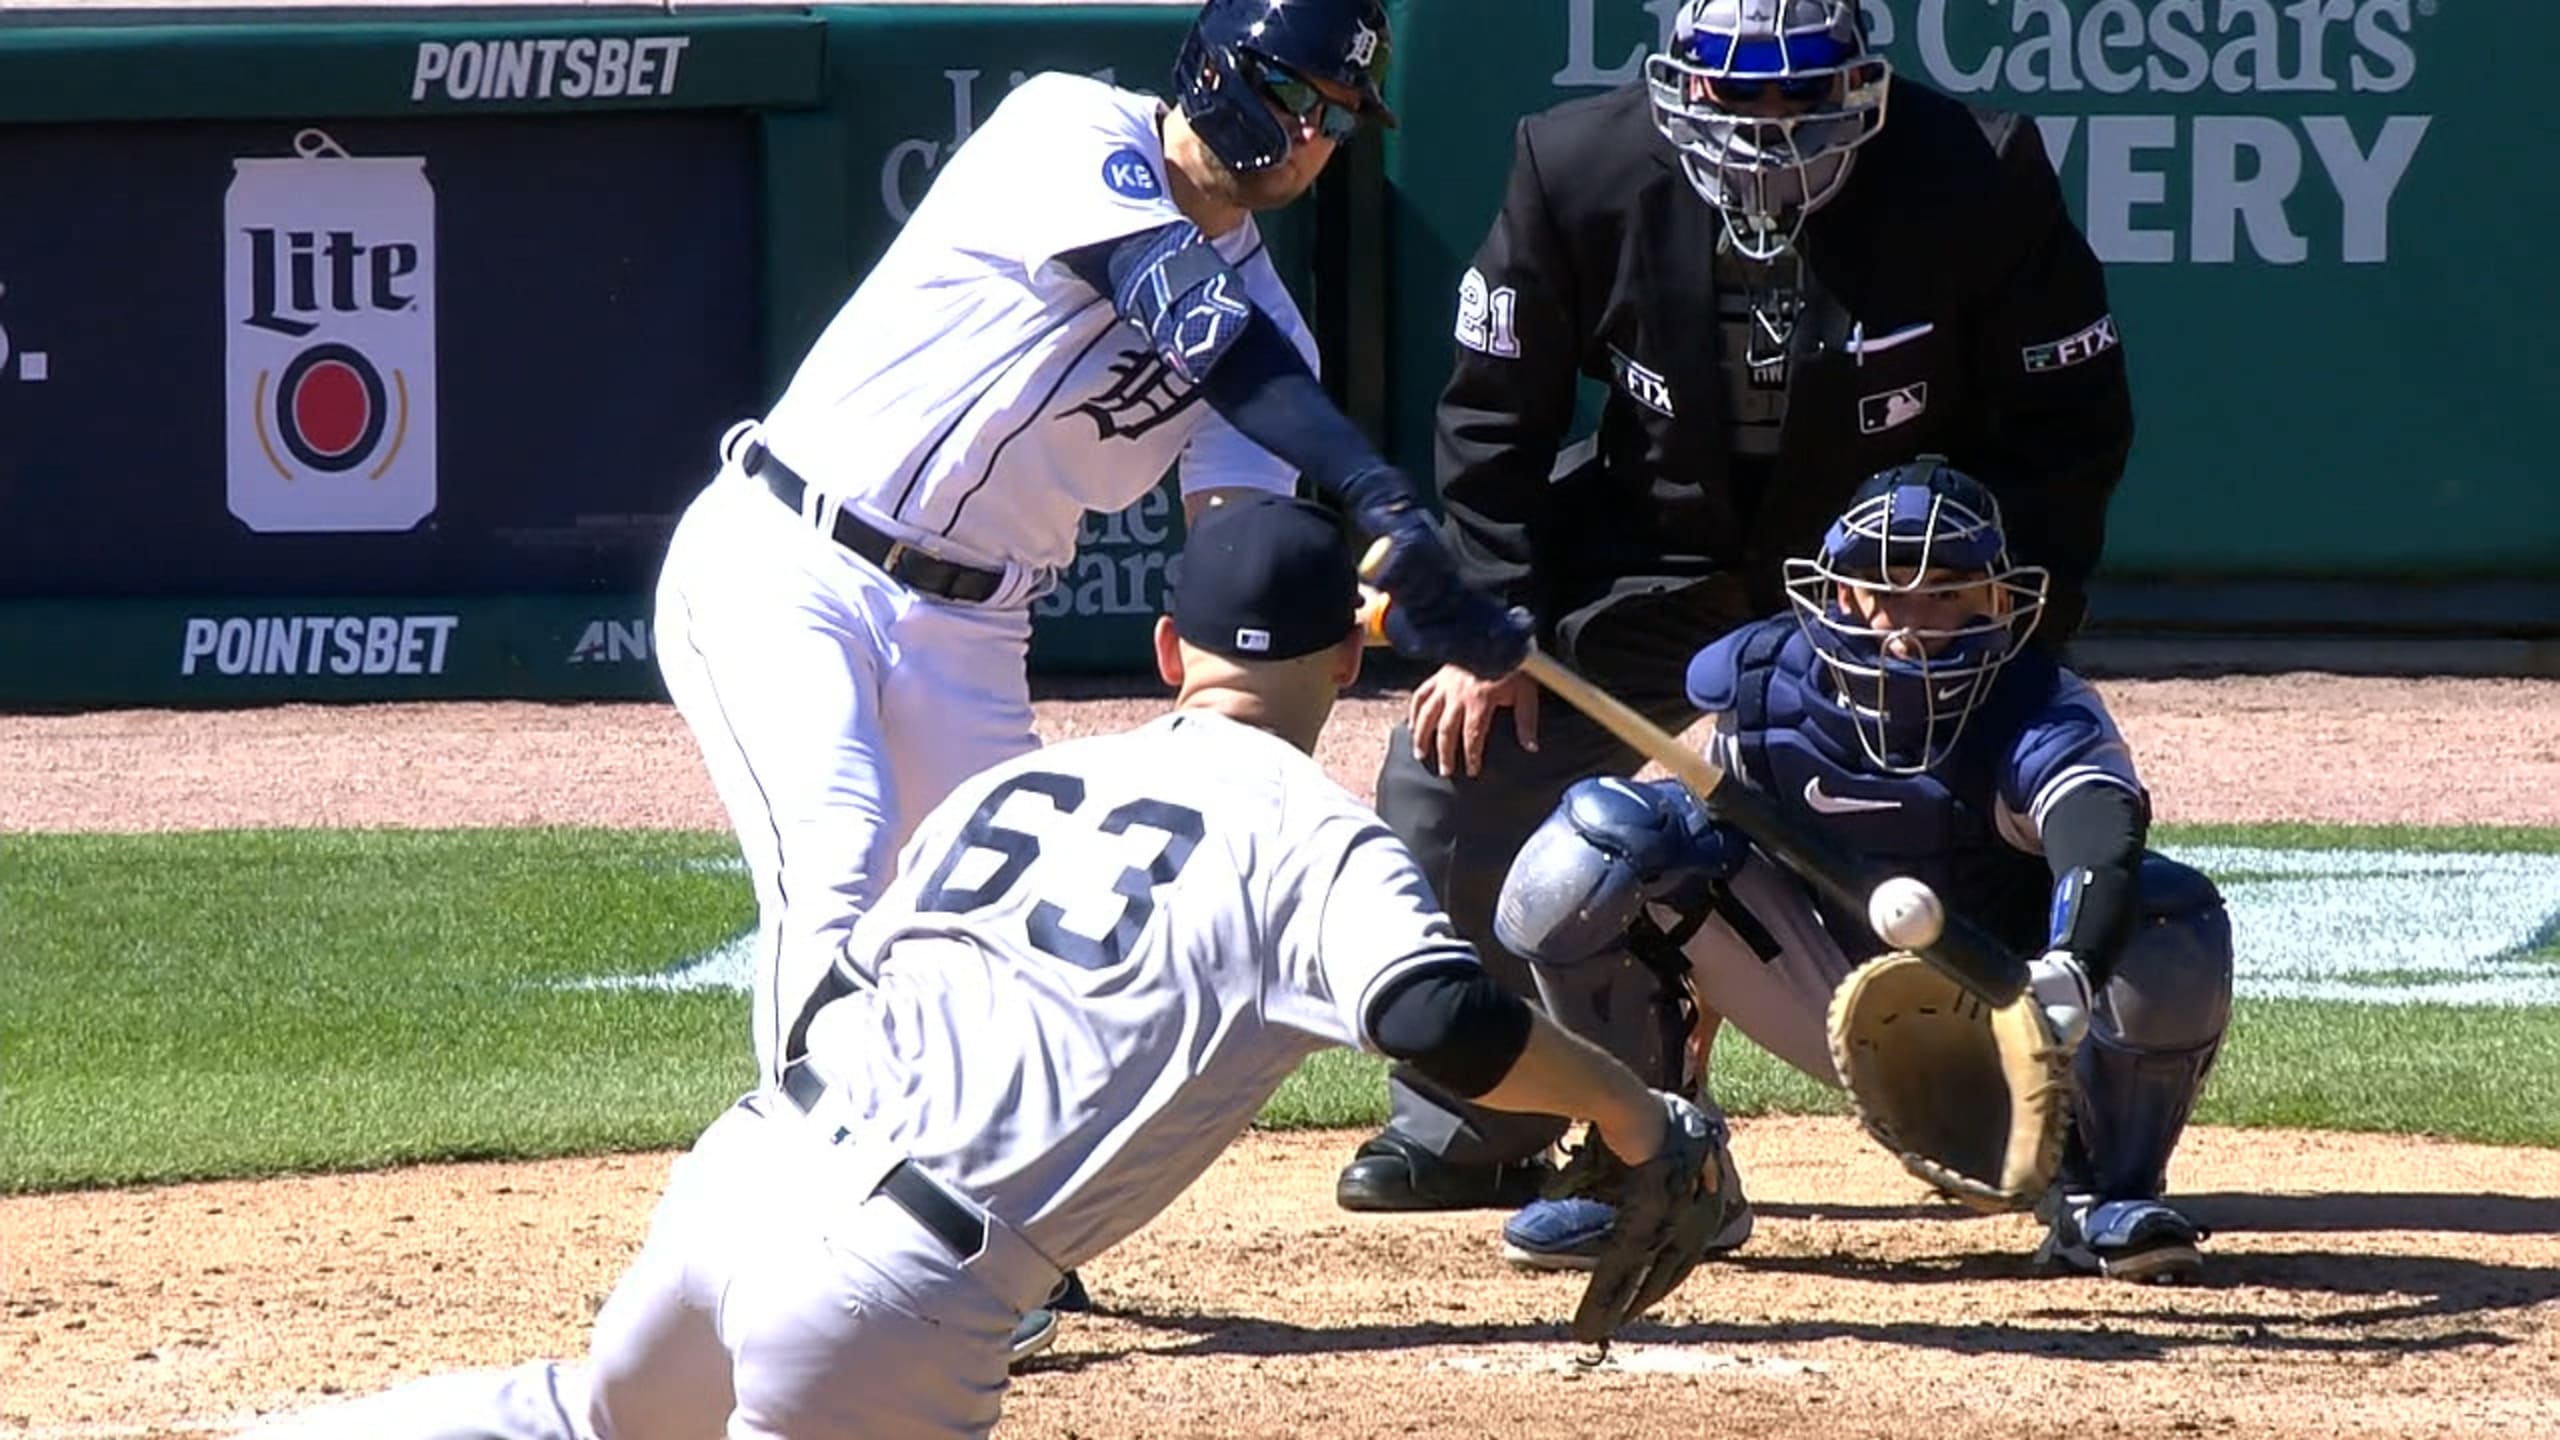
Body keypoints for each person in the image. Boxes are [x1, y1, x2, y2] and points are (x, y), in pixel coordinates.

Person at [240, 495, 1722, 1440]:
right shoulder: (1314, 840)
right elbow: (1438, 1017)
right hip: (893, 1301)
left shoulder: (1012, 791)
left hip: (740, 1180)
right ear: (1350, 666)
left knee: (586, 1422)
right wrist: (1641, 1115)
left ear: (1163, 651)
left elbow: (835, 994)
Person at [646, 0, 1529, 1353]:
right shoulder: (1068, 128)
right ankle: (794, 1241)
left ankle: (970, 1236)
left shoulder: (1264, 317)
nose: (1307, 136)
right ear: (1213, 67)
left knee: (988, 938)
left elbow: (1250, 554)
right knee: (839, 864)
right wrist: (1379, 488)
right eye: (1292, 93)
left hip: (971, 633)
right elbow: (1196, 327)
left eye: (1336, 119)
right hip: (791, 560)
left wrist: (1402, 584)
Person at [1334, 0, 2136, 1220]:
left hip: (1886, 593)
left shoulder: (1976, 167)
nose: (1770, 125)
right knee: (1451, 764)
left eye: (1802, 97)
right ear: (1678, 85)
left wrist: (1986, 622)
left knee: (1992, 835)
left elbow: (2069, 430)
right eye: (1738, 95)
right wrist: (1492, 623)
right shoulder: (1575, 164)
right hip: (1649, 571)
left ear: (1861, 82)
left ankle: (2055, 1127)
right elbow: (1493, 422)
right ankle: (1475, 1118)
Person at [1490, 458, 2232, 1283]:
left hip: (2021, 1021)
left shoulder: (2035, 703)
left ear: (1996, 600)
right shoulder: (1758, 683)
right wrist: (1686, 991)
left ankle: (2096, 1193)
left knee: (2169, 918)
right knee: (1597, 847)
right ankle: (1662, 1165)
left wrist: (2073, 972)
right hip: (1831, 993)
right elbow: (1697, 860)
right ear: (1838, 595)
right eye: (1884, 589)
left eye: (1945, 591)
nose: (1908, 623)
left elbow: (2098, 831)